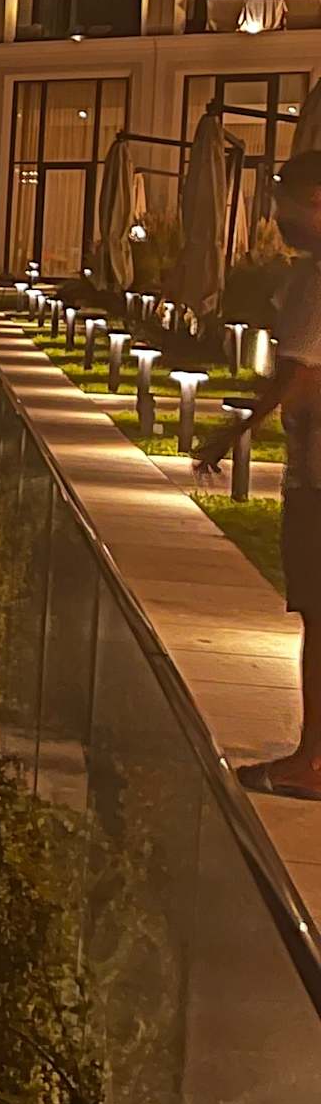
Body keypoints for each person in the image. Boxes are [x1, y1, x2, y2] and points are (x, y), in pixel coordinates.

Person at [199, 150, 321, 799]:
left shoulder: (314, 281)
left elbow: (298, 376)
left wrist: (232, 430)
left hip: (319, 478)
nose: (279, 217)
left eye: (286, 203)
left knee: (319, 618)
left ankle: (312, 762)